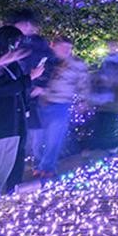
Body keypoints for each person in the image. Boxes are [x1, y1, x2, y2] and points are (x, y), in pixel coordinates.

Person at [5, 9, 52, 192]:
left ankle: (13, 185)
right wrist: (30, 79)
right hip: (11, 102)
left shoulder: (36, 44)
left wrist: (39, 84)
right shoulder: (8, 43)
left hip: (23, 101)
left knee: (20, 142)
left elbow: (48, 64)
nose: (28, 28)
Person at [33, 37, 89, 178]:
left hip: (60, 104)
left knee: (54, 138)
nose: (66, 51)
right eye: (62, 47)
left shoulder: (76, 64)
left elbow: (84, 83)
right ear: (53, 46)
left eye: (68, 48)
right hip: (39, 103)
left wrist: (82, 101)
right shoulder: (45, 60)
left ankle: (47, 168)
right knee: (36, 140)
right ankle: (39, 164)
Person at [0, 26, 33, 191]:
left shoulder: (11, 63)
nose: (18, 46)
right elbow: (3, 89)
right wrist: (29, 78)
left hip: (15, 116)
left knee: (15, 154)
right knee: (4, 157)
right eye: (16, 42)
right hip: (4, 119)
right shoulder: (3, 62)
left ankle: (13, 187)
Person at [91, 41, 118, 150]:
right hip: (103, 96)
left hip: (114, 96)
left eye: (114, 47)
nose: (112, 48)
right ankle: (101, 145)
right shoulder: (104, 61)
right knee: (101, 121)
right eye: (110, 46)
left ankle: (111, 146)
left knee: (110, 121)